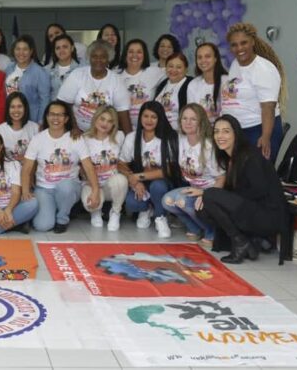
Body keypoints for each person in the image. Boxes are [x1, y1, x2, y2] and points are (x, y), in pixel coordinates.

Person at [195, 115, 286, 263]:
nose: (220, 136)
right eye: (217, 131)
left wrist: (225, 198)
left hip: (267, 214)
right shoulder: (229, 158)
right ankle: (245, 242)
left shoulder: (249, 155)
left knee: (210, 195)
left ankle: (241, 242)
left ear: (236, 134)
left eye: (226, 131)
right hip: (251, 209)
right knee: (202, 208)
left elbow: (260, 189)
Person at [21, 101, 99, 233]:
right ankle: (58, 208)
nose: (55, 118)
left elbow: (88, 166)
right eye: (52, 114)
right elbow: (26, 169)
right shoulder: (38, 139)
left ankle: (62, 218)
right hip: (44, 189)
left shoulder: (76, 138)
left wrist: (95, 190)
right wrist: (25, 190)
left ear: (66, 118)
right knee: (42, 226)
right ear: (46, 117)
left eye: (60, 115)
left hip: (69, 186)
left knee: (65, 187)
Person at [222, 22, 287, 162]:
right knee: (242, 176)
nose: (239, 48)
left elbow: (268, 108)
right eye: (234, 44)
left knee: (258, 175)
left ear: (252, 41)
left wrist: (265, 137)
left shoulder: (263, 69)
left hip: (258, 130)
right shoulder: (235, 64)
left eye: (243, 43)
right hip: (241, 130)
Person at [118, 101, 183, 238]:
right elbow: (121, 164)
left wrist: (139, 177)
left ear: (160, 118)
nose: (149, 120)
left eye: (153, 117)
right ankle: (148, 208)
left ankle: (161, 217)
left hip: (163, 183)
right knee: (132, 204)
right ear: (140, 117)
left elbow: (169, 170)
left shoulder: (169, 137)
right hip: (141, 182)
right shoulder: (132, 137)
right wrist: (134, 181)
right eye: (145, 116)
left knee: (158, 186)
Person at [163, 104, 225, 245]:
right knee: (167, 201)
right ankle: (195, 228)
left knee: (181, 201)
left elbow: (222, 177)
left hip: (210, 190)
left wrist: (207, 195)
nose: (188, 122)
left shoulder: (208, 146)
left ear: (201, 122)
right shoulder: (180, 140)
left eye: (193, 119)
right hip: (193, 189)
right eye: (184, 118)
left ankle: (211, 230)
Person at [57, 40, 131, 135]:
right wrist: (73, 127)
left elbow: (123, 113)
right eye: (94, 56)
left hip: (105, 133)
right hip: (78, 131)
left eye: (103, 57)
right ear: (89, 58)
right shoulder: (77, 74)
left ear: (109, 58)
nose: (98, 60)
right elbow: (63, 103)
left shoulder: (116, 80)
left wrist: (129, 139)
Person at [76, 107, 128, 230]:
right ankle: (95, 212)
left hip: (111, 185)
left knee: (120, 180)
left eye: (110, 121)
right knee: (90, 205)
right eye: (102, 119)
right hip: (91, 184)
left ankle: (115, 212)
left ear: (114, 124)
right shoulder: (85, 138)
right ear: (95, 119)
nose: (105, 124)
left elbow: (123, 162)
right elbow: (80, 166)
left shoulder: (119, 136)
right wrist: (92, 184)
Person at [5, 35, 51, 124]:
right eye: (18, 49)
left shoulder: (40, 72)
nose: (21, 52)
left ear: (31, 51)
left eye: (25, 49)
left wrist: (41, 122)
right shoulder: (9, 68)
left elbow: (45, 100)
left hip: (31, 120)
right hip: (11, 118)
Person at [119, 39, 164, 127]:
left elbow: (175, 74)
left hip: (147, 129)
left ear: (144, 55)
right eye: (131, 52)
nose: (135, 55)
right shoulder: (116, 76)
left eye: (139, 52)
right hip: (122, 128)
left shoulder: (154, 72)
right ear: (125, 55)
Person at [187, 42, 228, 123]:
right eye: (199, 57)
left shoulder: (227, 81)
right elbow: (192, 114)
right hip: (202, 131)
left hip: (223, 130)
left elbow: (231, 112)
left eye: (207, 56)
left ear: (216, 59)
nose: (203, 60)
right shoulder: (193, 84)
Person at [153, 52, 193, 131]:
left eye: (178, 67)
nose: (174, 70)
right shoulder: (162, 84)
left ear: (186, 70)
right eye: (170, 66)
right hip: (159, 132)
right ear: (166, 68)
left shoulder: (191, 84)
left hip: (179, 133)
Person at [0, 92, 40, 162]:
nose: (16, 110)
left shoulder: (35, 128)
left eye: (19, 106)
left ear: (25, 108)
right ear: (7, 109)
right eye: (12, 107)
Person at [47, 34, 81, 101]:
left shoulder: (81, 69)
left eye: (65, 47)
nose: (61, 50)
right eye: (58, 48)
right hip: (53, 109)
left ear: (72, 48)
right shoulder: (46, 70)